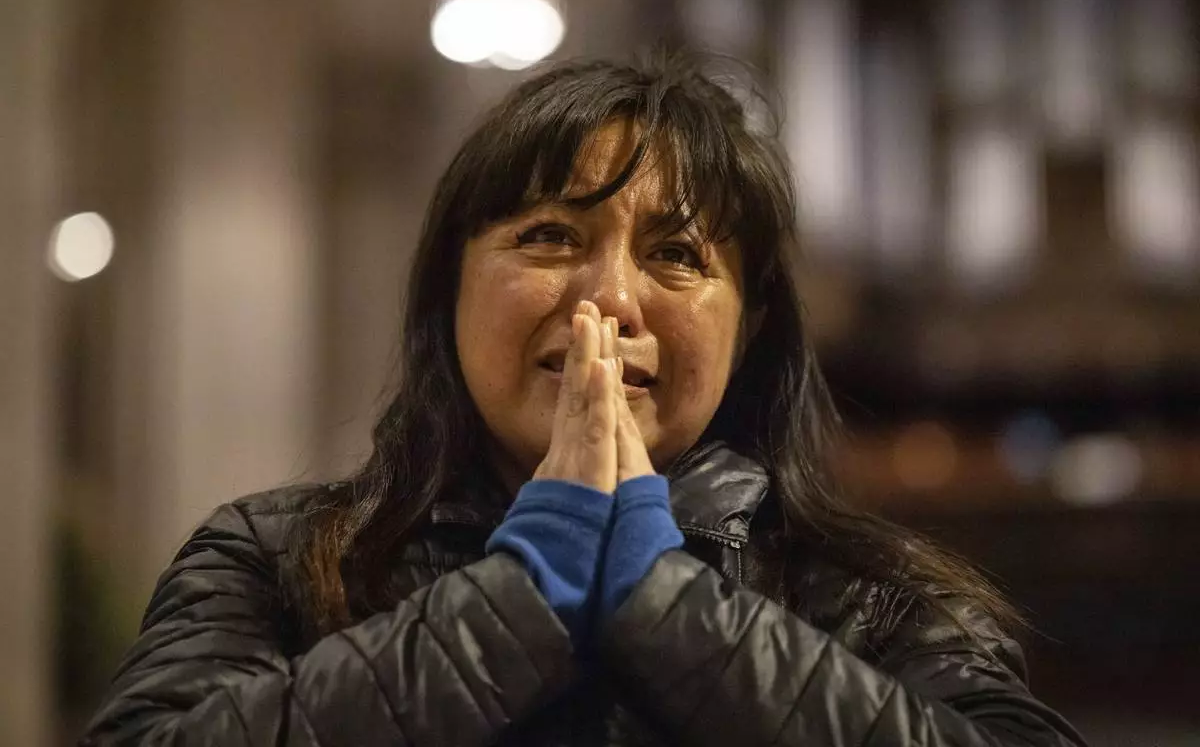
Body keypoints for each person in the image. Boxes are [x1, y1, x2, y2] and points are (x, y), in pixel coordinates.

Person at [81, 53, 1087, 747]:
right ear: (449, 291)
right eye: (551, 236)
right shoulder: (271, 559)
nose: (608, 299)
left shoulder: (880, 598)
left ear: (749, 331)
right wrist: (519, 599)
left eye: (677, 254)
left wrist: (670, 602)